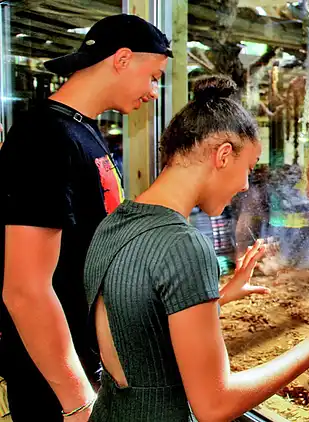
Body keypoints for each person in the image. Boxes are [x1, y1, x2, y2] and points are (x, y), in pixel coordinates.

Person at [82, 75, 309, 421]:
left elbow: (134, 318)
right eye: (248, 169)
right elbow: (215, 405)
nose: (244, 185)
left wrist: (218, 295)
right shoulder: (183, 244)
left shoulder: (117, 221)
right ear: (223, 155)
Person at [0, 14, 172, 422]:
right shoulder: (44, 136)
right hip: (55, 381)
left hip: (90, 358)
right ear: (123, 59)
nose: (154, 92)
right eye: (153, 76)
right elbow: (24, 289)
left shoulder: (82, 130)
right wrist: (78, 400)